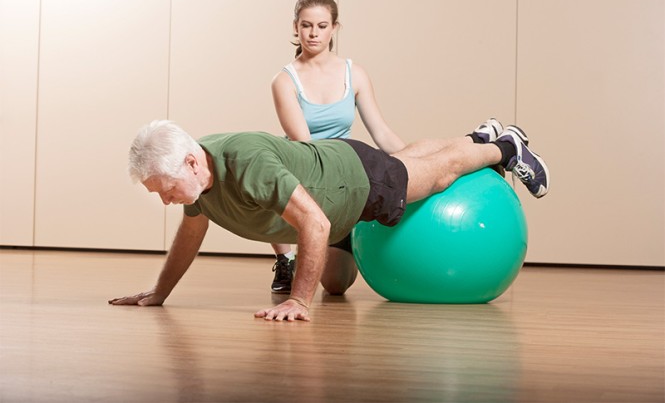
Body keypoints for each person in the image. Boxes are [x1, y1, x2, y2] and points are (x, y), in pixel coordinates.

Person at [109, 119, 550, 322]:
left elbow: (314, 225)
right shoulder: (198, 179)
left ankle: (505, 147)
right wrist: (159, 292)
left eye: (165, 190)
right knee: (337, 282)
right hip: (333, 190)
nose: (166, 201)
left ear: (190, 163)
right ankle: (478, 136)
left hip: (352, 184)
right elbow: (191, 232)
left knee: (436, 176)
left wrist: (299, 302)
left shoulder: (245, 163)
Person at [268, 0, 406, 294]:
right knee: (271, 180)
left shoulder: (354, 74)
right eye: (306, 25)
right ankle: (286, 259)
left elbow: (380, 132)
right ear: (296, 27)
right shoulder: (285, 81)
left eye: (321, 25)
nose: (313, 33)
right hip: (305, 168)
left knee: (336, 284)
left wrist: (409, 163)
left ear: (334, 28)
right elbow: (304, 145)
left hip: (343, 172)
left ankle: (347, 235)